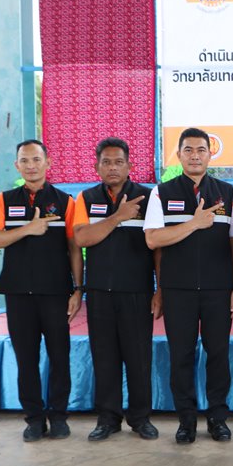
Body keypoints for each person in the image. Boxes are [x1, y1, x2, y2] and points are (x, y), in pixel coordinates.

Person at [144, 128, 233, 444]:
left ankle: (217, 419)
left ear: (210, 154)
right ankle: (186, 421)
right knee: (181, 356)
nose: (195, 156)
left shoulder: (228, 193)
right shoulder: (161, 193)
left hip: (218, 291)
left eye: (201, 150)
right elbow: (153, 239)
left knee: (218, 355)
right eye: (188, 150)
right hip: (178, 291)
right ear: (179, 155)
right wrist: (193, 224)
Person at [0, 139, 82, 442]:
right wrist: (27, 228)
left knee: (59, 357)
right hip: (18, 294)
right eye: (24, 161)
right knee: (26, 360)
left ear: (47, 163)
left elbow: (74, 248)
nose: (31, 165)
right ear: (17, 166)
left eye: (36, 159)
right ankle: (34, 419)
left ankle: (59, 417)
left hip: (55, 293)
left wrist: (78, 289)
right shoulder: (5, 200)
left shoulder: (65, 201)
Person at [73, 137, 161, 442]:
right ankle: (107, 419)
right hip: (99, 293)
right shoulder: (86, 198)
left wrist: (160, 289)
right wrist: (117, 218)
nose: (113, 167)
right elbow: (82, 239)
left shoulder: (148, 197)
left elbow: (157, 249)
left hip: (137, 291)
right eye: (106, 162)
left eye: (119, 162)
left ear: (129, 165)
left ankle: (141, 418)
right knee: (104, 357)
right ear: (97, 166)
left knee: (139, 359)